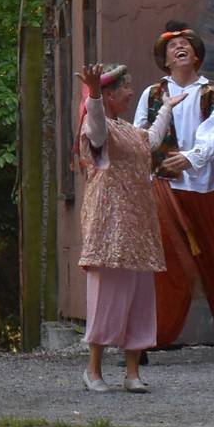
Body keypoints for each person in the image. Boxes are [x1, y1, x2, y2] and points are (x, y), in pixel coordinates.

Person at [128, 21, 214, 360]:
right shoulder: (153, 94)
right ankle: (147, 340)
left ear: (196, 54)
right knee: (162, 268)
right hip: (162, 189)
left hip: (205, 189)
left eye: (186, 44)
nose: (180, 48)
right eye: (173, 46)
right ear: (165, 59)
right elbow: (140, 134)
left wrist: (191, 158)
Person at [77, 64, 172, 393]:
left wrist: (168, 110)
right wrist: (92, 96)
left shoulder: (130, 130)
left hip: (139, 226)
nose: (132, 92)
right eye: (126, 87)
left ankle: (133, 372)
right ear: (109, 94)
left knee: (140, 299)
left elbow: (153, 140)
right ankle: (93, 371)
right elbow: (99, 130)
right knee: (107, 298)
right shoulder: (97, 126)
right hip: (110, 224)